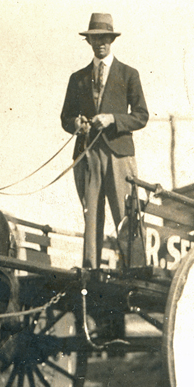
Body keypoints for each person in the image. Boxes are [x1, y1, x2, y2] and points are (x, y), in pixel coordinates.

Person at [60, 13, 149, 269]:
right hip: (88, 154)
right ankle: (91, 270)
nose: (100, 43)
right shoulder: (77, 78)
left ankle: (135, 269)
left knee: (125, 214)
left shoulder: (129, 74)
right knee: (91, 217)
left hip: (119, 154)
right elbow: (65, 117)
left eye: (105, 38)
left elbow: (141, 116)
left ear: (112, 39)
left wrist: (113, 119)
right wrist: (76, 124)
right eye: (95, 38)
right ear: (88, 42)